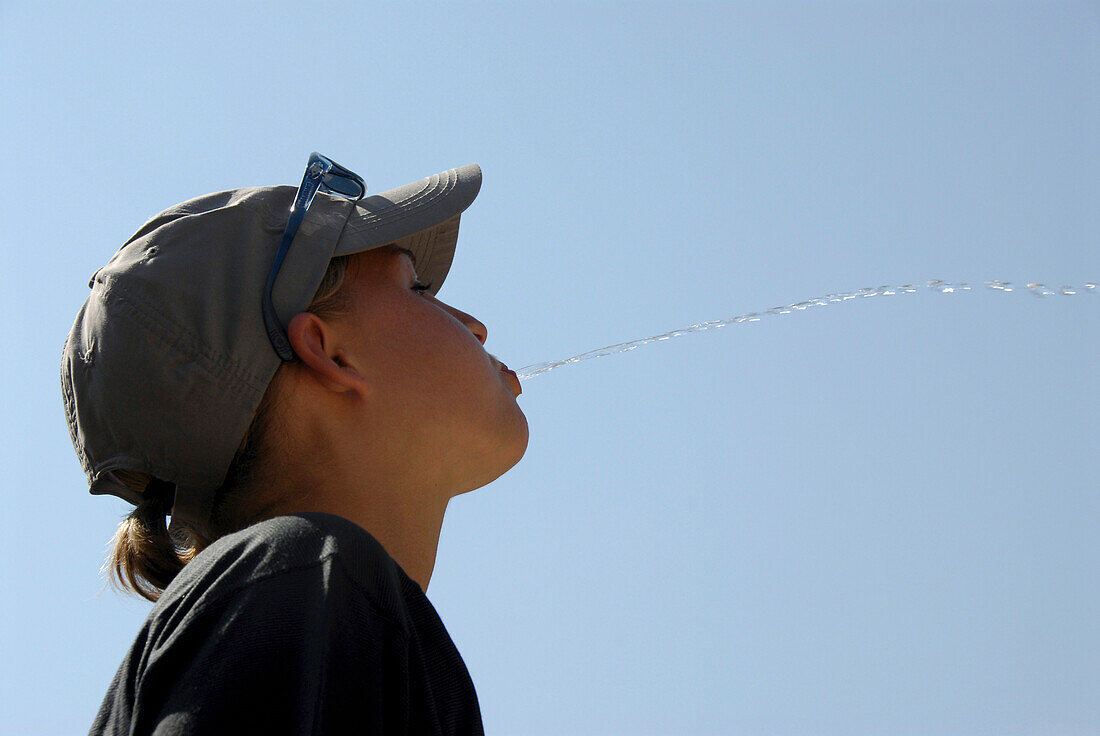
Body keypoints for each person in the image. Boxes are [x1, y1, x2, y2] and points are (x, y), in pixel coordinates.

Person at [61, 152, 528, 735]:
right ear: (330, 352)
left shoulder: (313, 599)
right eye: (417, 288)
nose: (474, 325)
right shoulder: (306, 578)